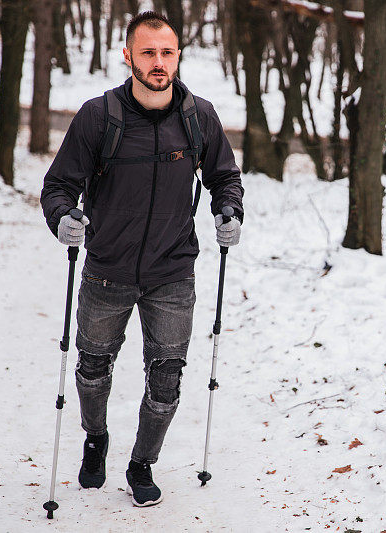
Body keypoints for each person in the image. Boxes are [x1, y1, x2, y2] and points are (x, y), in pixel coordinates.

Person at [40, 11, 244, 507]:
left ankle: (141, 464)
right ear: (128, 55)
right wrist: (63, 218)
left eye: (166, 52)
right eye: (147, 52)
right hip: (107, 269)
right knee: (91, 369)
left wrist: (229, 210)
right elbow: (58, 185)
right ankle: (95, 437)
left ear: (178, 56)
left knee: (167, 377)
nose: (158, 62)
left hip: (172, 272)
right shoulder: (98, 116)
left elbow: (225, 177)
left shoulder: (199, 117)